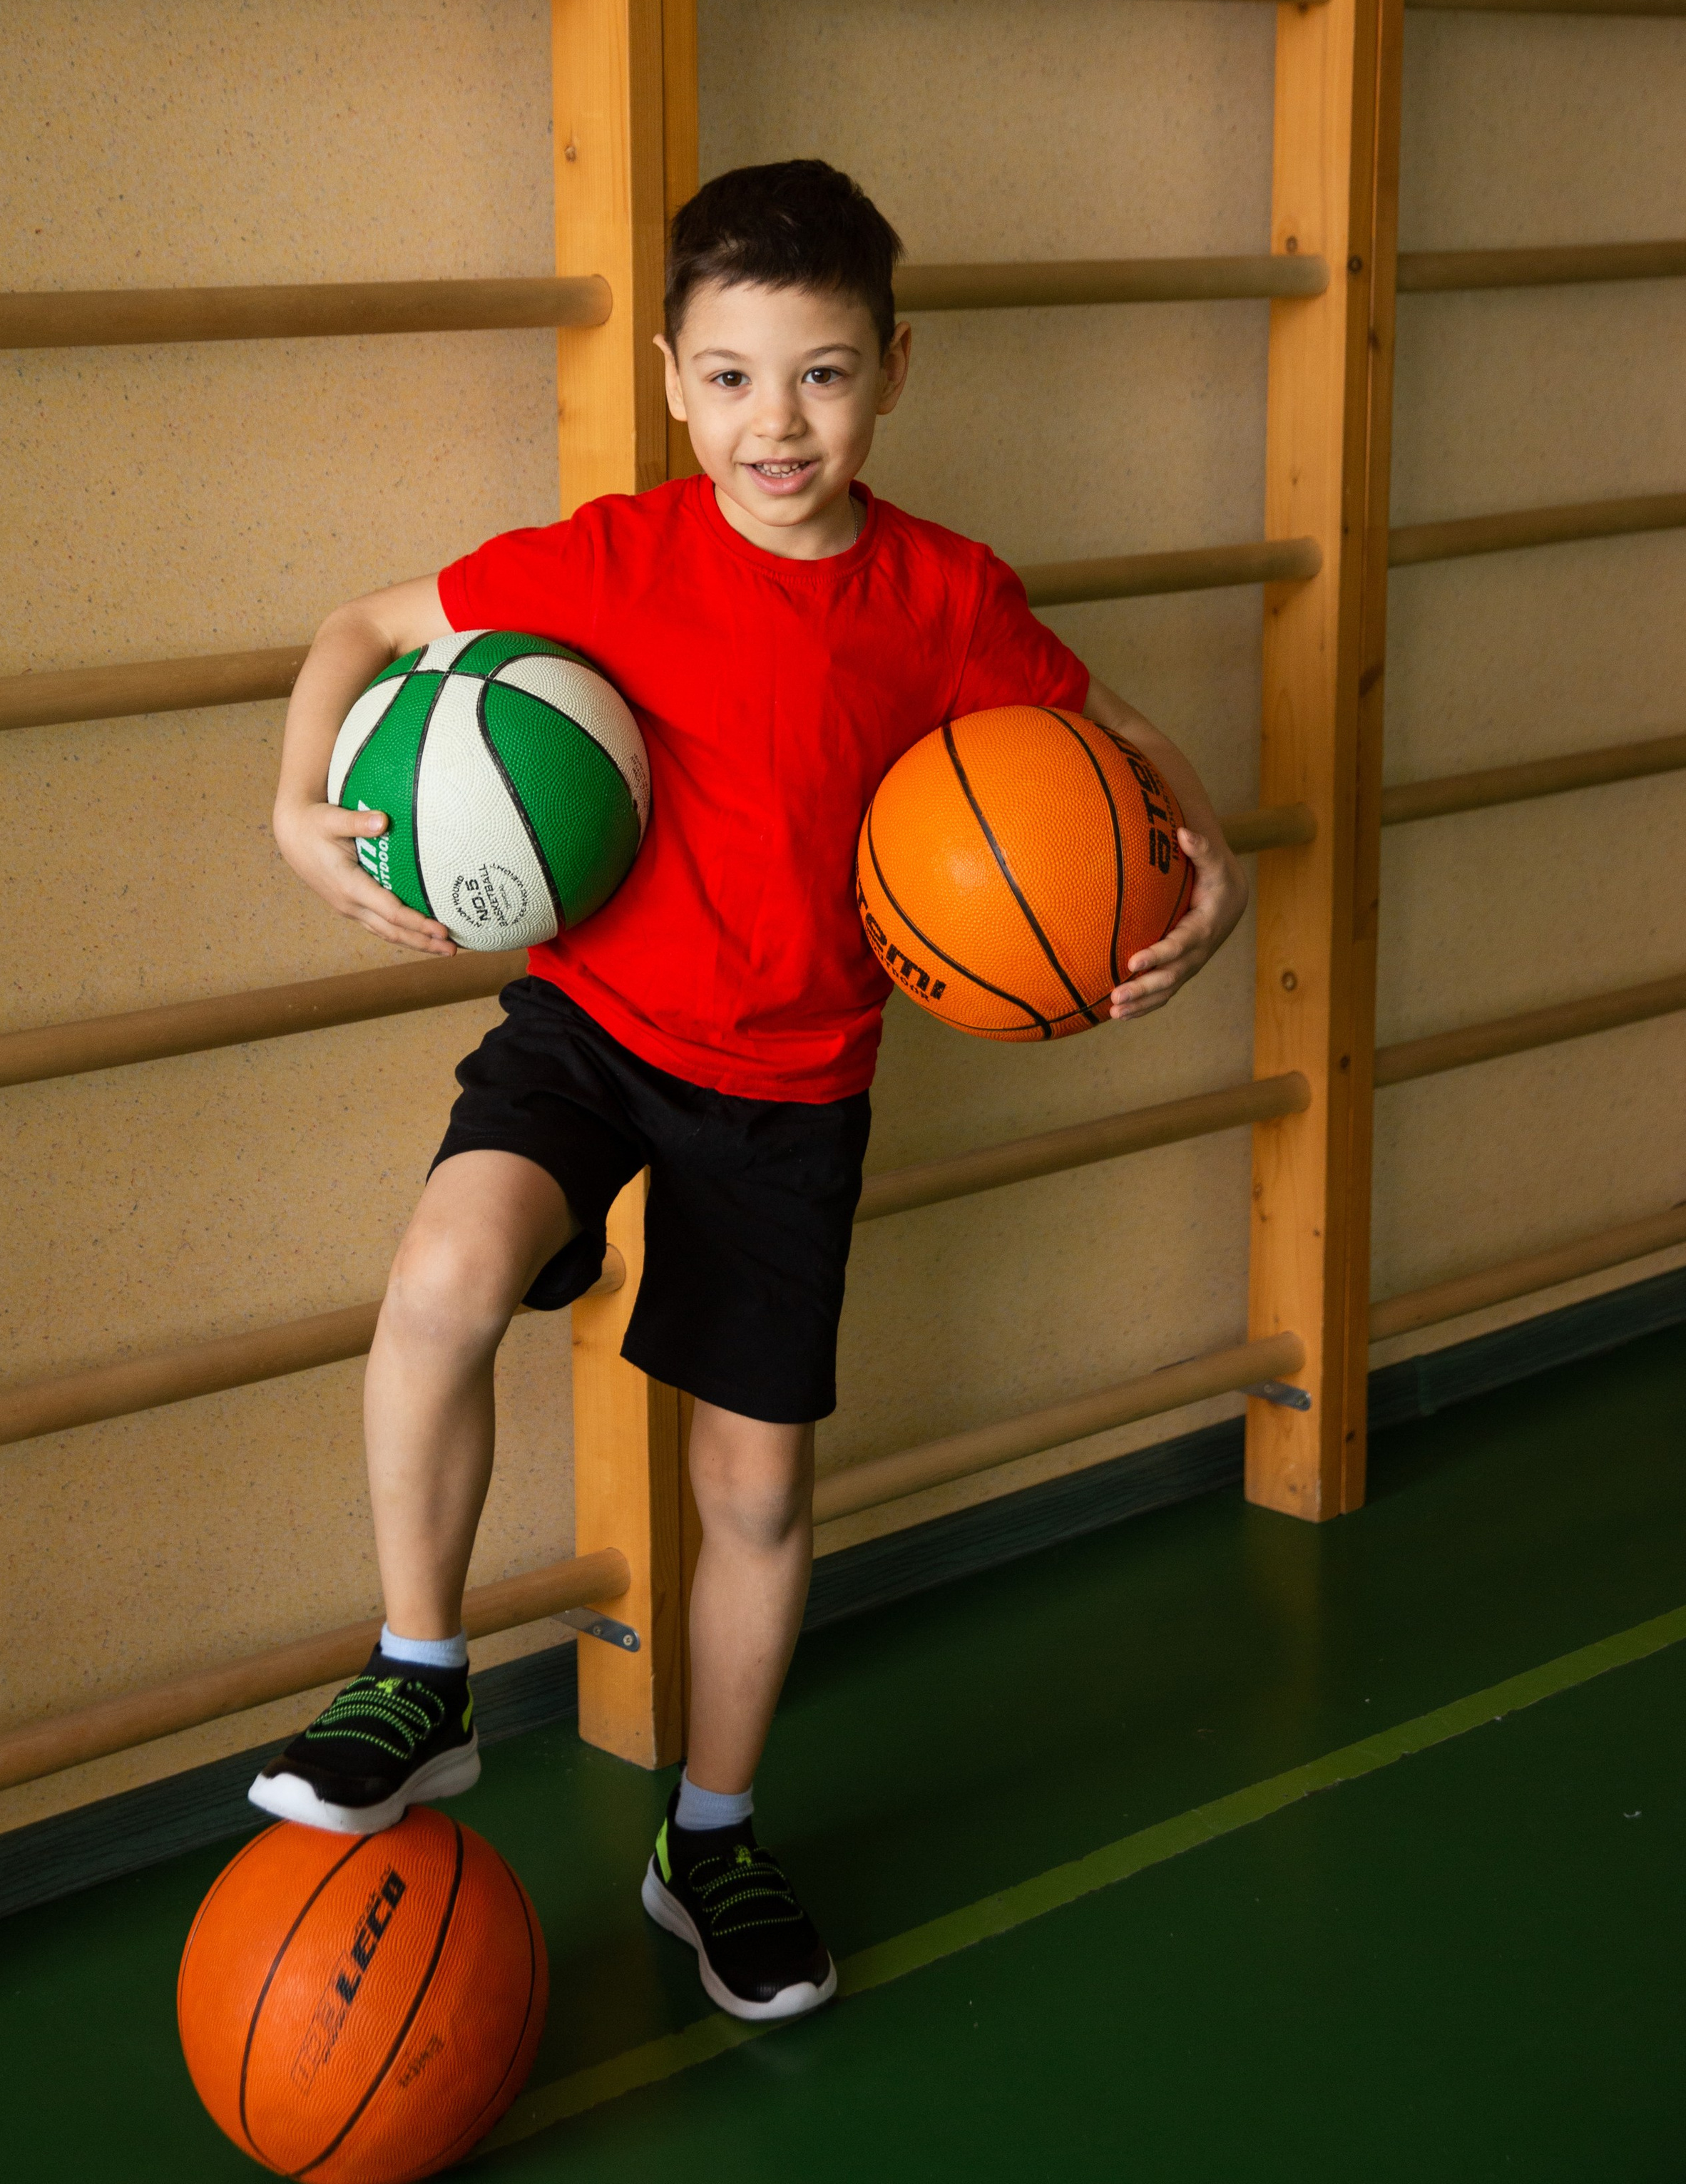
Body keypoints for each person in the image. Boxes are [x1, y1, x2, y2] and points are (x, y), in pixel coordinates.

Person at [252, 158, 1247, 2024]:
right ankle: (419, 1676)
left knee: (758, 1493)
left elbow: (1124, 748)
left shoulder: (944, 596)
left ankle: (707, 1841)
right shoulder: (614, 561)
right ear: (668, 375)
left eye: (820, 376)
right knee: (444, 1284)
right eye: (729, 377)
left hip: (792, 1092)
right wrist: (301, 817)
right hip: (591, 1032)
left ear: (891, 372)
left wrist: (1227, 871)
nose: (772, 423)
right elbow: (358, 634)